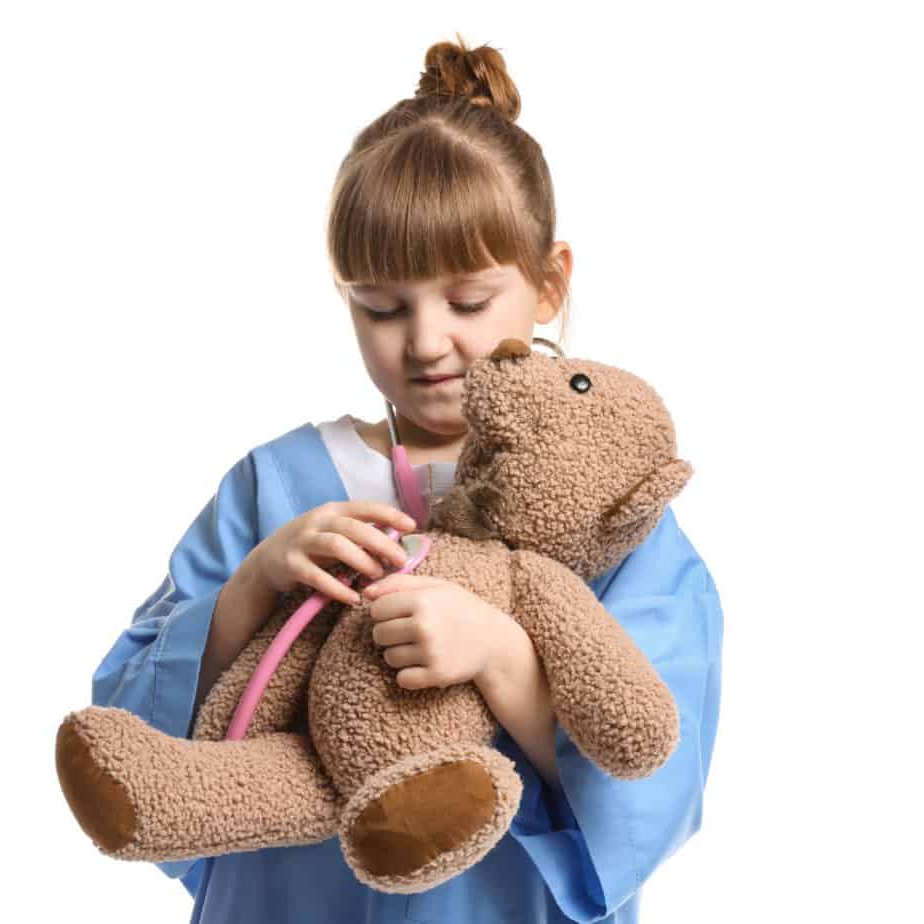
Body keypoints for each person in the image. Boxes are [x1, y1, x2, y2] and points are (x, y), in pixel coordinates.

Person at [90, 34, 724, 924]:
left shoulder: (608, 509)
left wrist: (503, 657)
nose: (427, 343)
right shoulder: (277, 484)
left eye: (468, 302)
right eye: (381, 306)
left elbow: (655, 773)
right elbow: (132, 709)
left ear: (549, 284)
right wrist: (256, 581)